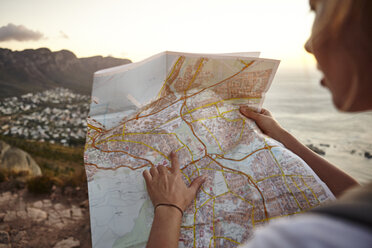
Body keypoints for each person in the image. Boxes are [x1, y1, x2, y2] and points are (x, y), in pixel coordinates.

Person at [142, 0, 372, 247]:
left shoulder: (300, 240)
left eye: (317, 10)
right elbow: (355, 195)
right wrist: (281, 135)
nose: (308, 45)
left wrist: (168, 207)